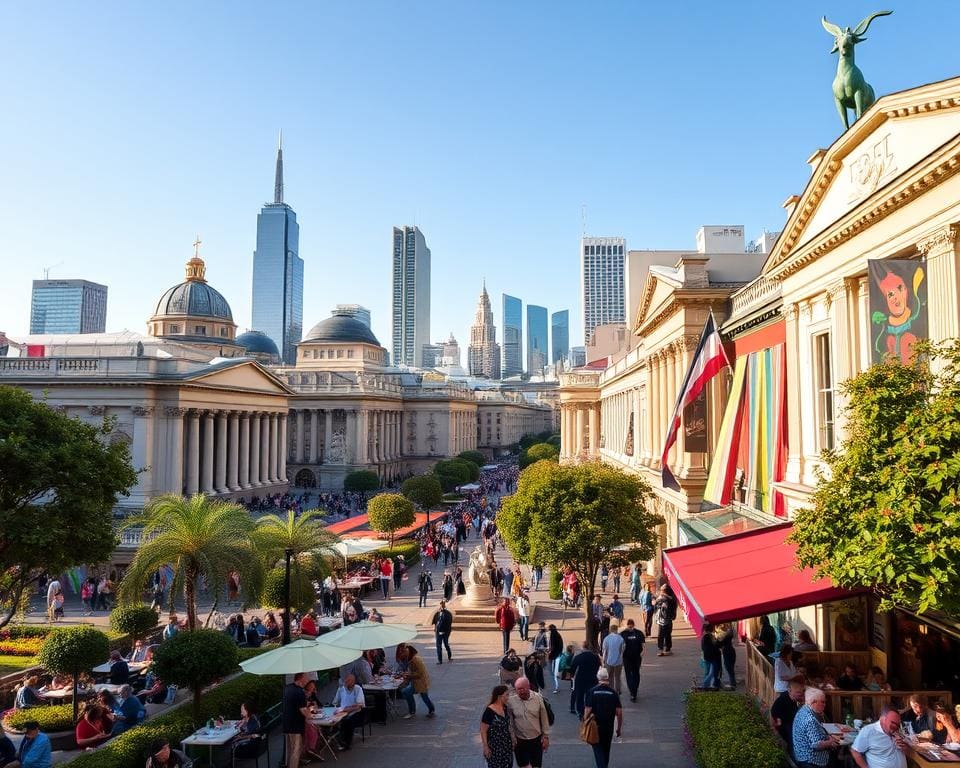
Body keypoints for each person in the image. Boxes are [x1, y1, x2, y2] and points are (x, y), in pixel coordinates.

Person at [505, 677, 550, 768]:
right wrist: (512, 738)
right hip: (520, 741)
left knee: (536, 766)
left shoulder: (538, 698)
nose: (521, 692)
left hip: (536, 740)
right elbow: (510, 721)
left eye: (523, 689)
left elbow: (544, 718)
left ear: (528, 687)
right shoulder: (511, 701)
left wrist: (545, 736)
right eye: (518, 689)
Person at [792, 687, 841, 768]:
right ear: (813, 702)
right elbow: (817, 745)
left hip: (801, 754)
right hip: (810, 760)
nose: (825, 704)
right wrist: (831, 741)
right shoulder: (810, 720)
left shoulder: (804, 709)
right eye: (822, 702)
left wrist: (828, 738)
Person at [584, 668, 623, 768]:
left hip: (595, 726)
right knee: (606, 749)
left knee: (598, 749)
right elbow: (619, 713)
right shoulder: (613, 693)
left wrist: (585, 723)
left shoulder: (592, 692)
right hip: (609, 726)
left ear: (598, 678)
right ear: (607, 678)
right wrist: (618, 728)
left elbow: (588, 710)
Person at [282, 672, 311, 768]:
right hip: (295, 725)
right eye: (306, 677)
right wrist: (311, 716)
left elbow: (293, 704)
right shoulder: (299, 692)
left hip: (287, 724)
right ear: (301, 678)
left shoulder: (288, 688)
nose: (308, 679)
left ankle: (289, 765)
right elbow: (303, 710)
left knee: (290, 749)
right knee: (296, 750)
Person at [770, 675, 806, 752]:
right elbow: (774, 710)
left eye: (801, 692)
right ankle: (792, 752)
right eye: (798, 692)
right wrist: (777, 719)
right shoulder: (782, 699)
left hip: (791, 721)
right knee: (793, 735)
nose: (800, 694)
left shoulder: (794, 698)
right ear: (789, 690)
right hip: (784, 723)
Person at [480, 685, 512, 768]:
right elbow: (483, 730)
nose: (508, 697)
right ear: (499, 696)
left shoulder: (505, 707)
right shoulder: (489, 711)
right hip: (495, 748)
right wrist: (486, 747)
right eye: (507, 695)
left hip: (506, 745)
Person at [331, 674, 366, 751]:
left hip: (356, 713)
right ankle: (335, 740)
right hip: (342, 712)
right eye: (346, 681)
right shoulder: (341, 689)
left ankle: (346, 743)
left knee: (348, 721)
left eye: (348, 681)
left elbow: (359, 705)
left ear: (353, 682)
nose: (346, 682)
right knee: (332, 720)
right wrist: (338, 708)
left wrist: (348, 709)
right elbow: (335, 702)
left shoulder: (358, 689)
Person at [400, 645, 435, 719]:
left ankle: (414, 711)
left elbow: (420, 672)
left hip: (420, 683)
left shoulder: (416, 659)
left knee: (424, 697)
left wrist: (409, 675)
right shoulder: (411, 659)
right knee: (407, 692)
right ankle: (429, 709)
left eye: (406, 652)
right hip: (417, 682)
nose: (404, 653)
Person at [570, 640, 601, 719]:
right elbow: (598, 666)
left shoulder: (578, 657)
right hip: (592, 679)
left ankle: (581, 712)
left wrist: (572, 676)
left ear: (583, 647)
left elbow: (572, 668)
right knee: (590, 695)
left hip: (580, 679)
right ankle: (590, 710)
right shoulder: (595, 657)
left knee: (579, 696)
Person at [620, 618, 644, 702]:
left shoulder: (625, 634)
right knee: (633, 674)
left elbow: (643, 645)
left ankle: (633, 691)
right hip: (632, 658)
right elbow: (643, 646)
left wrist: (642, 653)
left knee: (631, 674)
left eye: (630, 625)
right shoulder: (637, 633)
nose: (630, 627)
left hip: (631, 658)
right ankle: (633, 691)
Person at [601, 621, 625, 694]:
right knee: (617, 676)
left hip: (609, 660)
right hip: (618, 661)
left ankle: (611, 689)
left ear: (610, 630)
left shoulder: (606, 639)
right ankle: (618, 690)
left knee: (610, 676)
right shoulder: (621, 638)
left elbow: (604, 650)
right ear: (616, 630)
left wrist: (603, 661)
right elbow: (623, 649)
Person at [654, 585, 676, 657]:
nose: (661, 592)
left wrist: (664, 596)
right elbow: (655, 604)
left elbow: (672, 602)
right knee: (661, 635)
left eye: (662, 590)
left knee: (666, 635)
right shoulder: (662, 598)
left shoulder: (670, 599)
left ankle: (666, 649)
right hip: (661, 619)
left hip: (667, 619)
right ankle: (662, 649)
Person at [431, 599, 454, 664]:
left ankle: (447, 656)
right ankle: (440, 659)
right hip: (440, 632)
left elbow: (449, 624)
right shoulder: (439, 613)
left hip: (444, 632)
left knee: (444, 644)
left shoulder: (447, 614)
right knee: (440, 645)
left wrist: (444, 631)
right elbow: (435, 622)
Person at [717, 623, 737, 690]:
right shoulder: (729, 634)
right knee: (731, 668)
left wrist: (716, 640)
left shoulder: (725, 636)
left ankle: (733, 684)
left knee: (729, 668)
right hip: (731, 651)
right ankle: (733, 683)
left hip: (727, 652)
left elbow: (720, 644)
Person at [547, 624, 564, 694]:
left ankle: (556, 687)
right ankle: (556, 686)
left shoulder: (553, 635)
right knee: (553, 672)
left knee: (553, 672)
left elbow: (552, 646)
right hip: (557, 654)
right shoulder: (557, 634)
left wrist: (550, 653)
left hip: (554, 656)